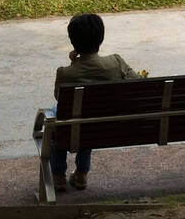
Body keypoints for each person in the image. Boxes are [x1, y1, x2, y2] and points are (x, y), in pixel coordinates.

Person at [52, 13, 140, 191]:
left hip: (78, 125)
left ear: (72, 41)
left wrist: (73, 64)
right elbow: (137, 82)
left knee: (58, 119)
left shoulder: (65, 73)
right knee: (89, 117)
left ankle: (58, 176)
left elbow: (58, 97)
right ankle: (82, 174)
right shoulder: (115, 62)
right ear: (101, 37)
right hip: (107, 126)